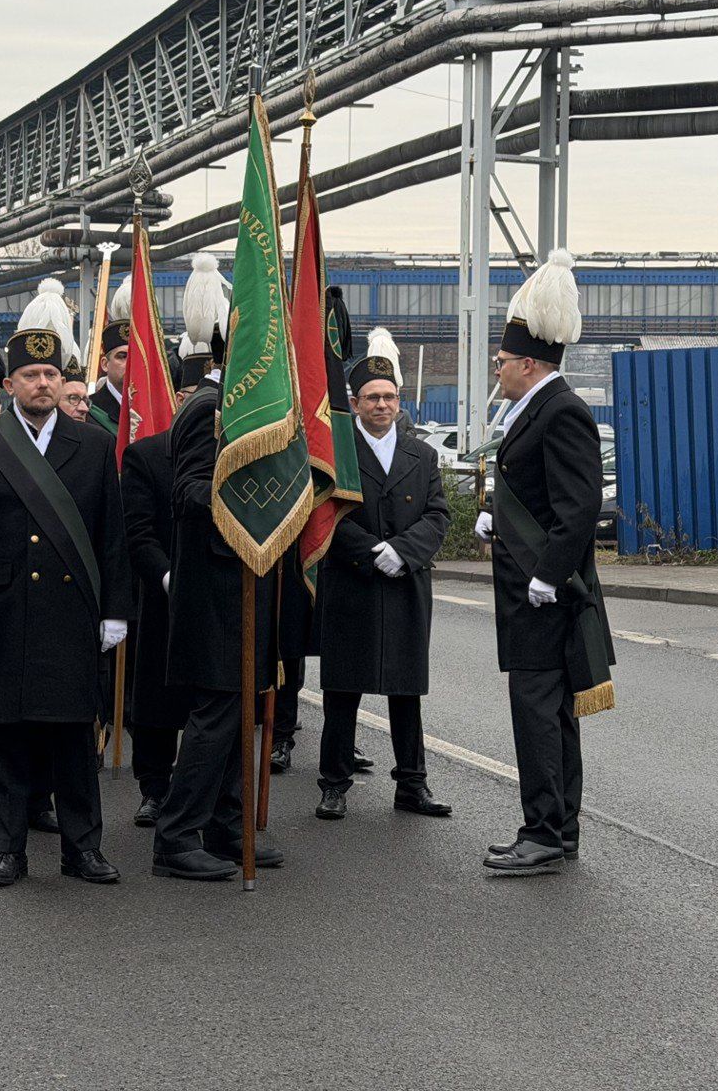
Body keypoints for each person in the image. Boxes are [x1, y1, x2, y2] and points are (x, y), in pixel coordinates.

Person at [0, 305, 129, 889]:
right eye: (31, 375)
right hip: (5, 612)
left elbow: (111, 536)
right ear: (10, 385)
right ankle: (10, 851)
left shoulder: (93, 445)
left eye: (51, 374)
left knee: (74, 736)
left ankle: (83, 848)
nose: (43, 383)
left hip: (73, 614)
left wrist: (116, 610)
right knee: (7, 735)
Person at [475, 250, 616, 875]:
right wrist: (496, 516)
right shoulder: (535, 407)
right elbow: (534, 491)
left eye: (502, 360)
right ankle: (560, 828)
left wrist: (546, 575)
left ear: (528, 363)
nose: (497, 367)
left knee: (538, 713)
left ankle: (542, 832)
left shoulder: (561, 410)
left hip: (544, 594)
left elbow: (579, 506)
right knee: (551, 713)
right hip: (532, 588)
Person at [151, 253, 285, 882]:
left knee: (240, 713)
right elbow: (187, 492)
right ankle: (176, 835)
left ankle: (227, 825)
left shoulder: (243, 409)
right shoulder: (207, 409)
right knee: (215, 717)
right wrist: (250, 506)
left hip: (245, 582)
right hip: (214, 589)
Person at [314, 329, 452, 821]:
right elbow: (323, 513)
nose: (382, 405)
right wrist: (373, 552)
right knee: (342, 691)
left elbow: (437, 514)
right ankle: (334, 784)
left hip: (405, 583)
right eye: (372, 397)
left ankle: (412, 785)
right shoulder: (337, 452)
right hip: (353, 580)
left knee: (406, 691)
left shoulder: (423, 454)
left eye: (389, 396)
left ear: (399, 400)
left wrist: (403, 551)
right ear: (354, 403)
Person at [119, 362, 199, 828]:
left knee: (210, 706)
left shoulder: (235, 453)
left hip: (217, 602)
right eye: (192, 394)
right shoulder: (146, 455)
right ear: (177, 398)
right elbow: (139, 533)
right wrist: (169, 578)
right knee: (156, 701)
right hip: (162, 596)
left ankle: (204, 793)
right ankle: (153, 788)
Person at [89, 280, 129, 436]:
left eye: (136, 358)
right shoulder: (90, 410)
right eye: (122, 357)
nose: (130, 364)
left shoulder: (155, 407)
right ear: (105, 364)